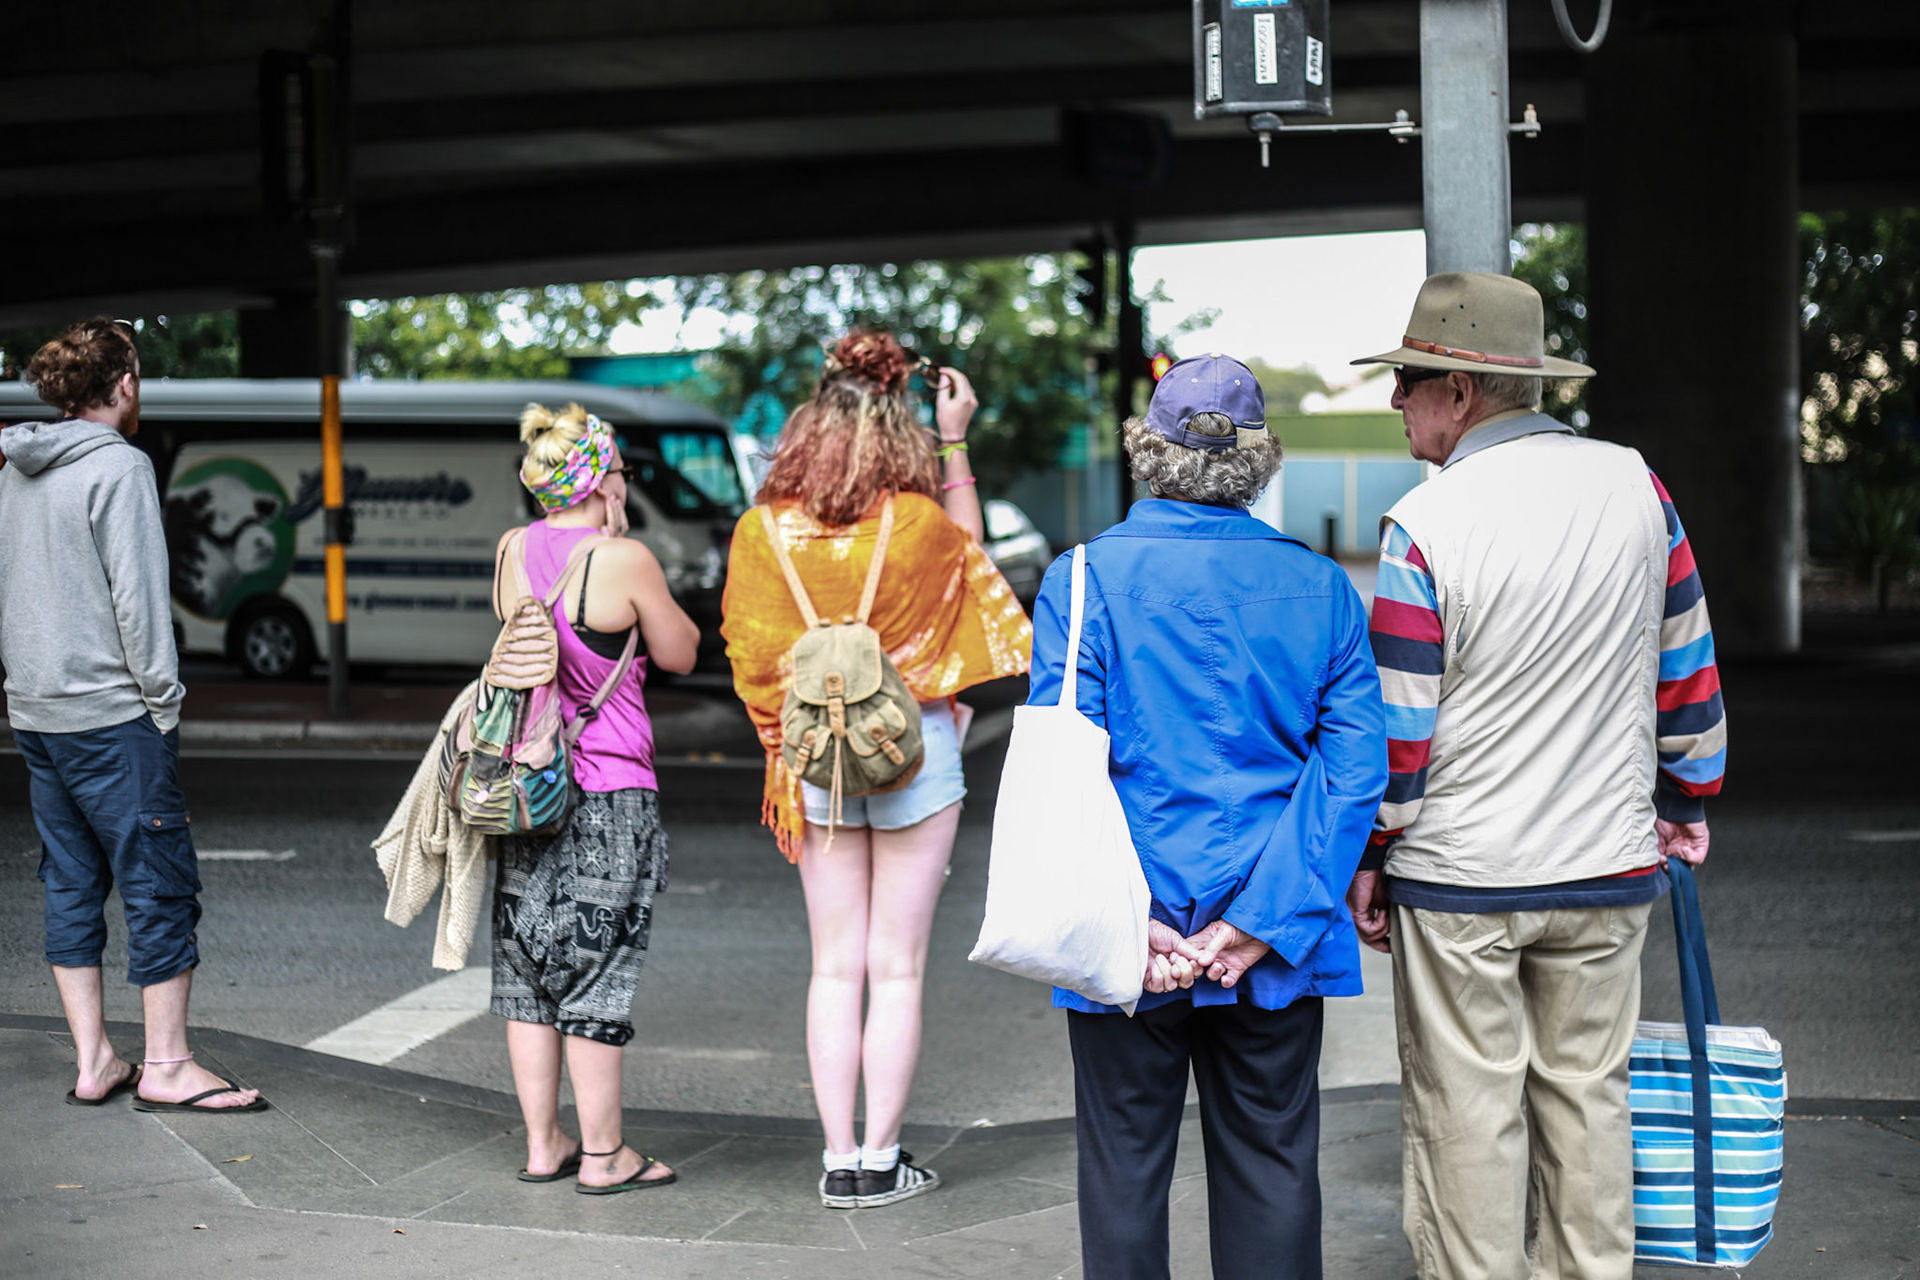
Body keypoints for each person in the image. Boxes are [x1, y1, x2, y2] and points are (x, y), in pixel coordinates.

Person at [1346, 272, 1727, 1280]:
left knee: (1467, 1108)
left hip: (1462, 880)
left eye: (1411, 381)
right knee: (1589, 1095)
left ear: (1462, 393)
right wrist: (1685, 797)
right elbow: (1685, 659)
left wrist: (1374, 851)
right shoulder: (1638, 484)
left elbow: (1401, 731)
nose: (1398, 402)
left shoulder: (1423, 526)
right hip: (1606, 865)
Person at [1028, 354, 1388, 1280]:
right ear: (1260, 464)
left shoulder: (1083, 580)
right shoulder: (1324, 590)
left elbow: (1069, 765)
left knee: (1122, 1168)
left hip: (1130, 935)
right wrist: (1258, 926)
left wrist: (1132, 918)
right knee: (1273, 1165)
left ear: (1150, 453)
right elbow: (1350, 779)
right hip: (1277, 937)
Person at [722, 331, 1031, 1209]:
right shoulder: (920, 526)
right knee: (896, 967)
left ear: (806, 429)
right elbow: (976, 576)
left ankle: (834, 1159)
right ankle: (881, 1160)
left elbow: (750, 651)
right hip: (916, 752)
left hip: (814, 761)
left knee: (834, 967)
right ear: (900, 432)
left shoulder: (761, 533)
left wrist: (785, 744)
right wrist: (957, 440)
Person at [0, 317, 264, 1113]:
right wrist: (164, 706)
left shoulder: (15, 468)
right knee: (159, 885)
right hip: (112, 714)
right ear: (122, 386)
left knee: (71, 881)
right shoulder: (121, 467)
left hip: (36, 710)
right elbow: (141, 603)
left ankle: (94, 1061)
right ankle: (169, 1065)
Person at [490, 402, 700, 1194]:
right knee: (597, 972)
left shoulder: (511, 551)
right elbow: (680, 651)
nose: (626, 484)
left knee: (526, 970)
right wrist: (619, 541)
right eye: (620, 471)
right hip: (609, 790)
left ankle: (546, 1144)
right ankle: (607, 1156)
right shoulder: (623, 560)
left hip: (527, 785)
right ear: (600, 478)